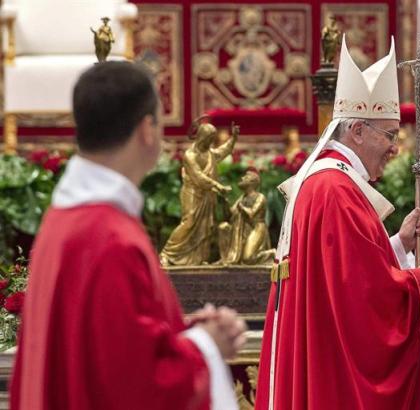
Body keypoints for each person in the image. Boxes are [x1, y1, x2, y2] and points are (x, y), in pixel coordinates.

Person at [10, 62, 246, 410]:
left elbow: (100, 346)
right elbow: (137, 387)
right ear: (147, 129)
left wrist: (186, 332)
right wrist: (207, 345)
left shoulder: (64, 220)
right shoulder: (111, 238)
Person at [255, 36, 420, 410]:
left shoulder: (326, 182)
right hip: (337, 379)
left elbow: (339, 272)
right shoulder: (336, 191)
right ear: (357, 131)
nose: (395, 147)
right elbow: (363, 300)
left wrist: (399, 244)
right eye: (389, 135)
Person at [160, 119, 237, 266]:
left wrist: (233, 138)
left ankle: (197, 259)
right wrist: (217, 185)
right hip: (193, 193)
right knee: (188, 223)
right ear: (202, 137)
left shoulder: (210, 153)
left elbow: (224, 150)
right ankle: (168, 253)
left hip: (207, 196)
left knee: (205, 227)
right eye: (209, 139)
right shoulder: (190, 155)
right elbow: (198, 176)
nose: (211, 142)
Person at [217, 168, 275, 265]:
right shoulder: (242, 198)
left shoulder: (260, 197)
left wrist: (241, 206)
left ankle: (270, 254)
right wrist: (224, 200)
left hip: (257, 228)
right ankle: (226, 259)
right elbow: (230, 214)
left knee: (248, 258)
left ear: (252, 182)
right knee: (223, 227)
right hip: (243, 228)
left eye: (246, 177)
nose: (242, 178)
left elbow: (251, 214)